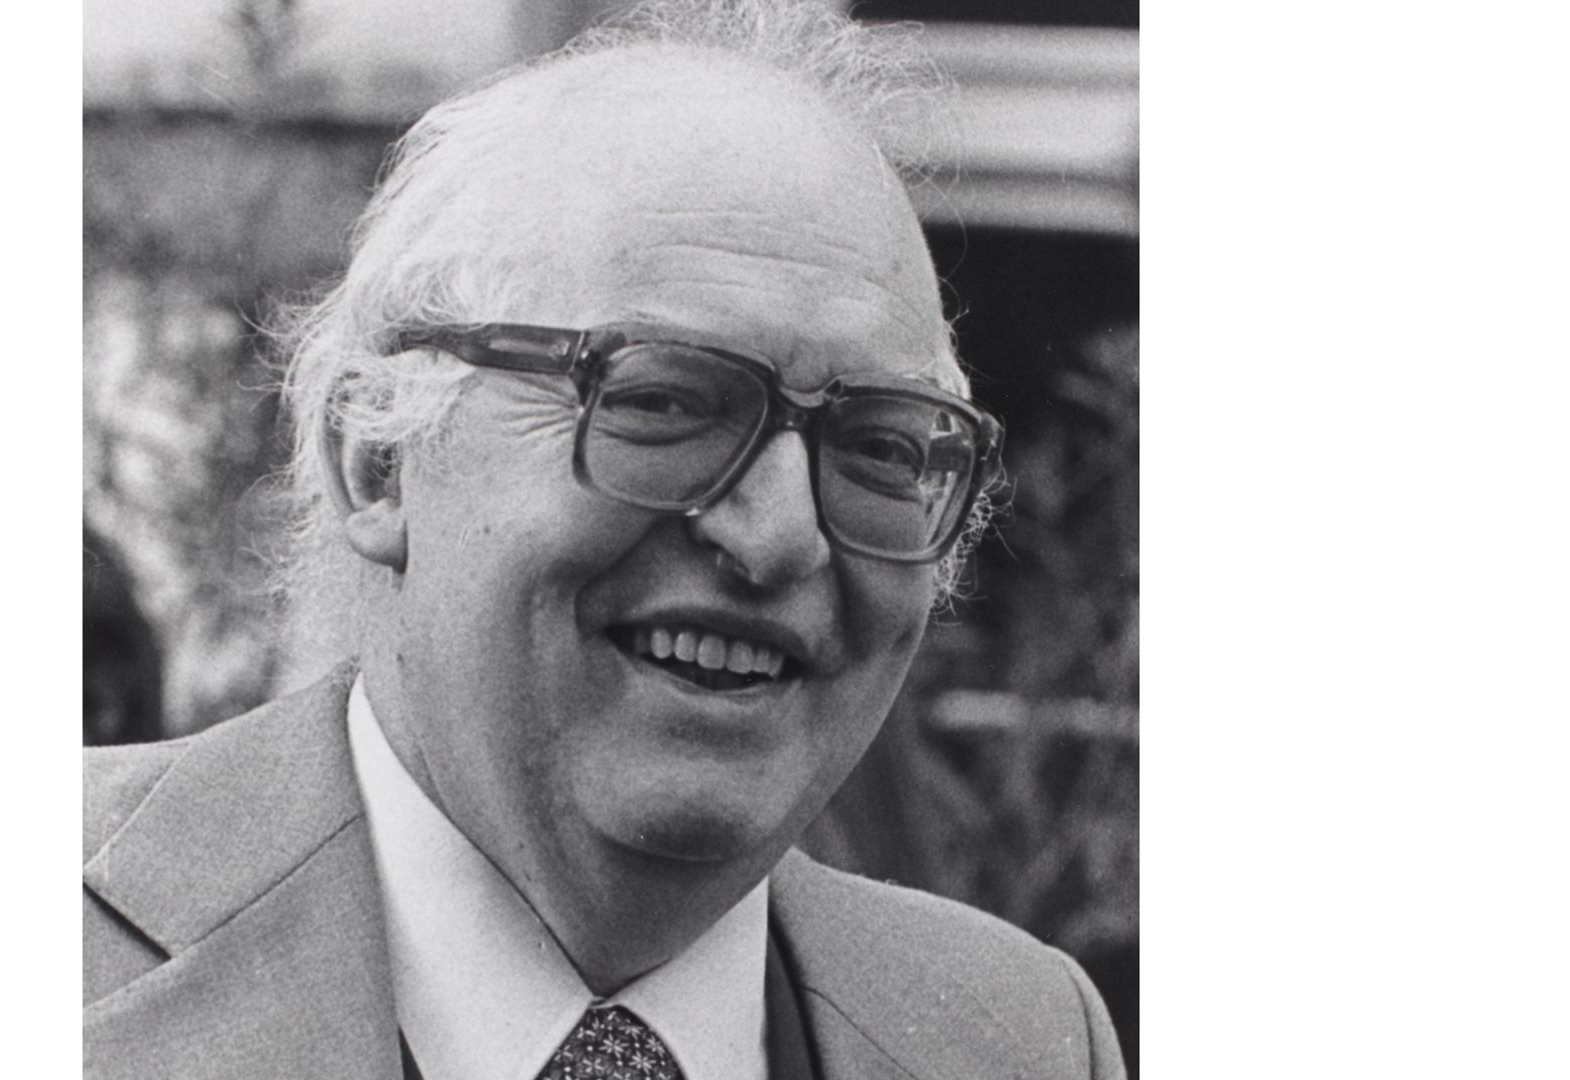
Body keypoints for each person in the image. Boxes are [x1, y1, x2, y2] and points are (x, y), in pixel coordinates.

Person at [83, 1, 1125, 1076]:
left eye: (880, 446)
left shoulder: (1023, 1036)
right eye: (665, 403)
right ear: (378, 461)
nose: (778, 537)